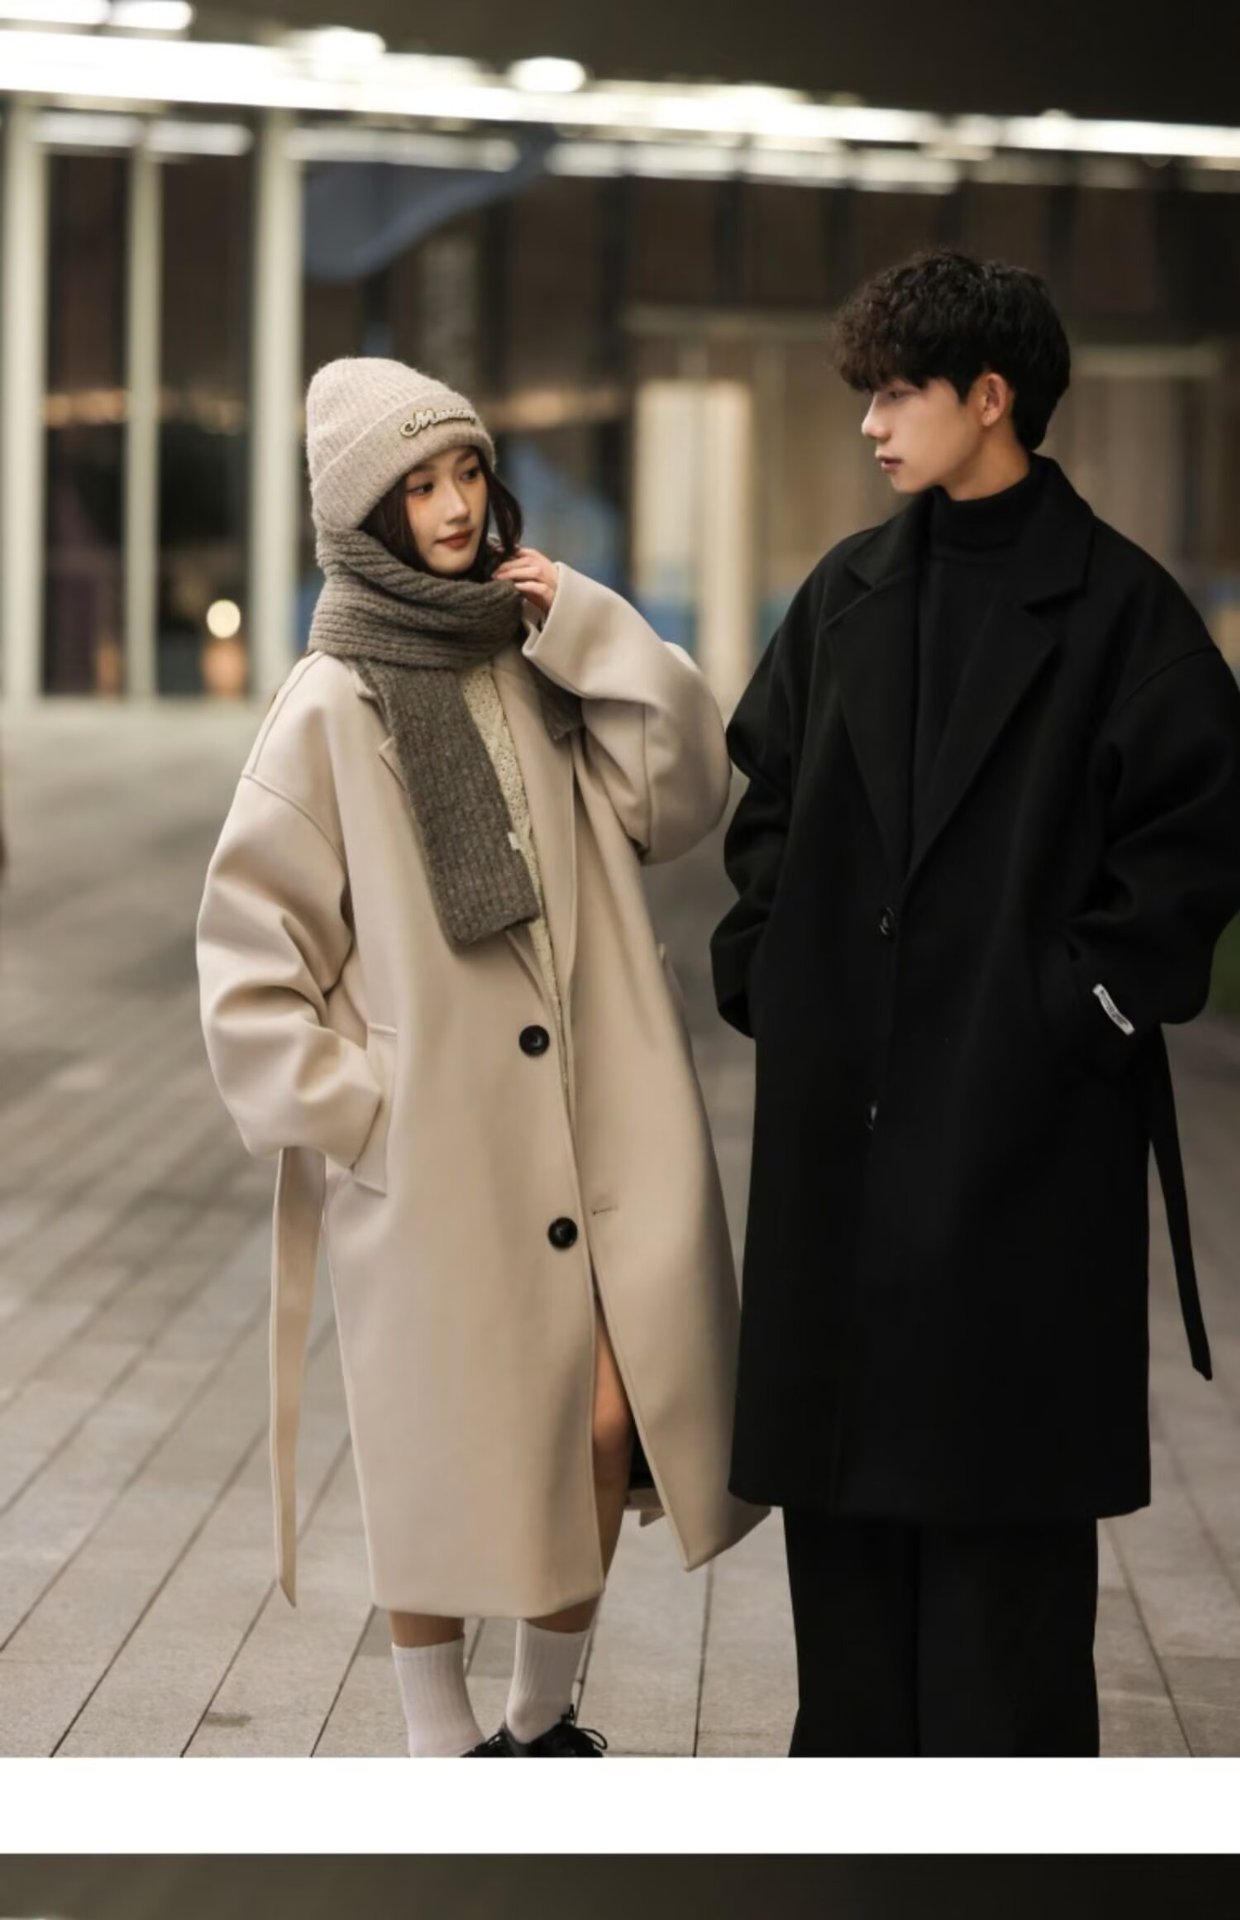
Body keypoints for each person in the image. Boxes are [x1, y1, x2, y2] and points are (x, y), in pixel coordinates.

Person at [711, 249, 1240, 1757]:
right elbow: (769, 804)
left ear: (990, 397)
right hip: (843, 1148)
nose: (870, 424)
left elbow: (1195, 844)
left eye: (897, 393)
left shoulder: (1123, 613)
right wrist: (774, 973)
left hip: (1022, 1150)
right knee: (846, 1611)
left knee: (1005, 1611)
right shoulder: (846, 594)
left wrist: (1079, 1011)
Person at [197, 358, 762, 1758]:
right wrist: (367, 1113)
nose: (454, 508)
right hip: (442, 1153)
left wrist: (595, 625)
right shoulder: (330, 703)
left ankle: (540, 1718)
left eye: (466, 474)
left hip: (597, 1119)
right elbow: (248, 963)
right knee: (444, 1449)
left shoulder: (535, 651)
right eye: (419, 487)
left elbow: (681, 793)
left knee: (609, 1423)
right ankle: (442, 1745)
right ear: (364, 515)